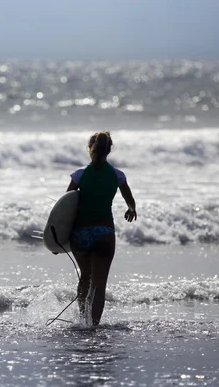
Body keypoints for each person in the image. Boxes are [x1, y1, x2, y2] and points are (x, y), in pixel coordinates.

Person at [67, 131, 136, 326]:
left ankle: (82, 320)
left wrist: (57, 237)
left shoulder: (79, 174)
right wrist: (131, 210)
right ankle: (93, 326)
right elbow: (130, 202)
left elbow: (65, 206)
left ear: (91, 148)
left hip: (80, 233)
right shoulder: (117, 175)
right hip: (104, 233)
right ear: (109, 150)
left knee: (85, 277)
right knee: (99, 285)